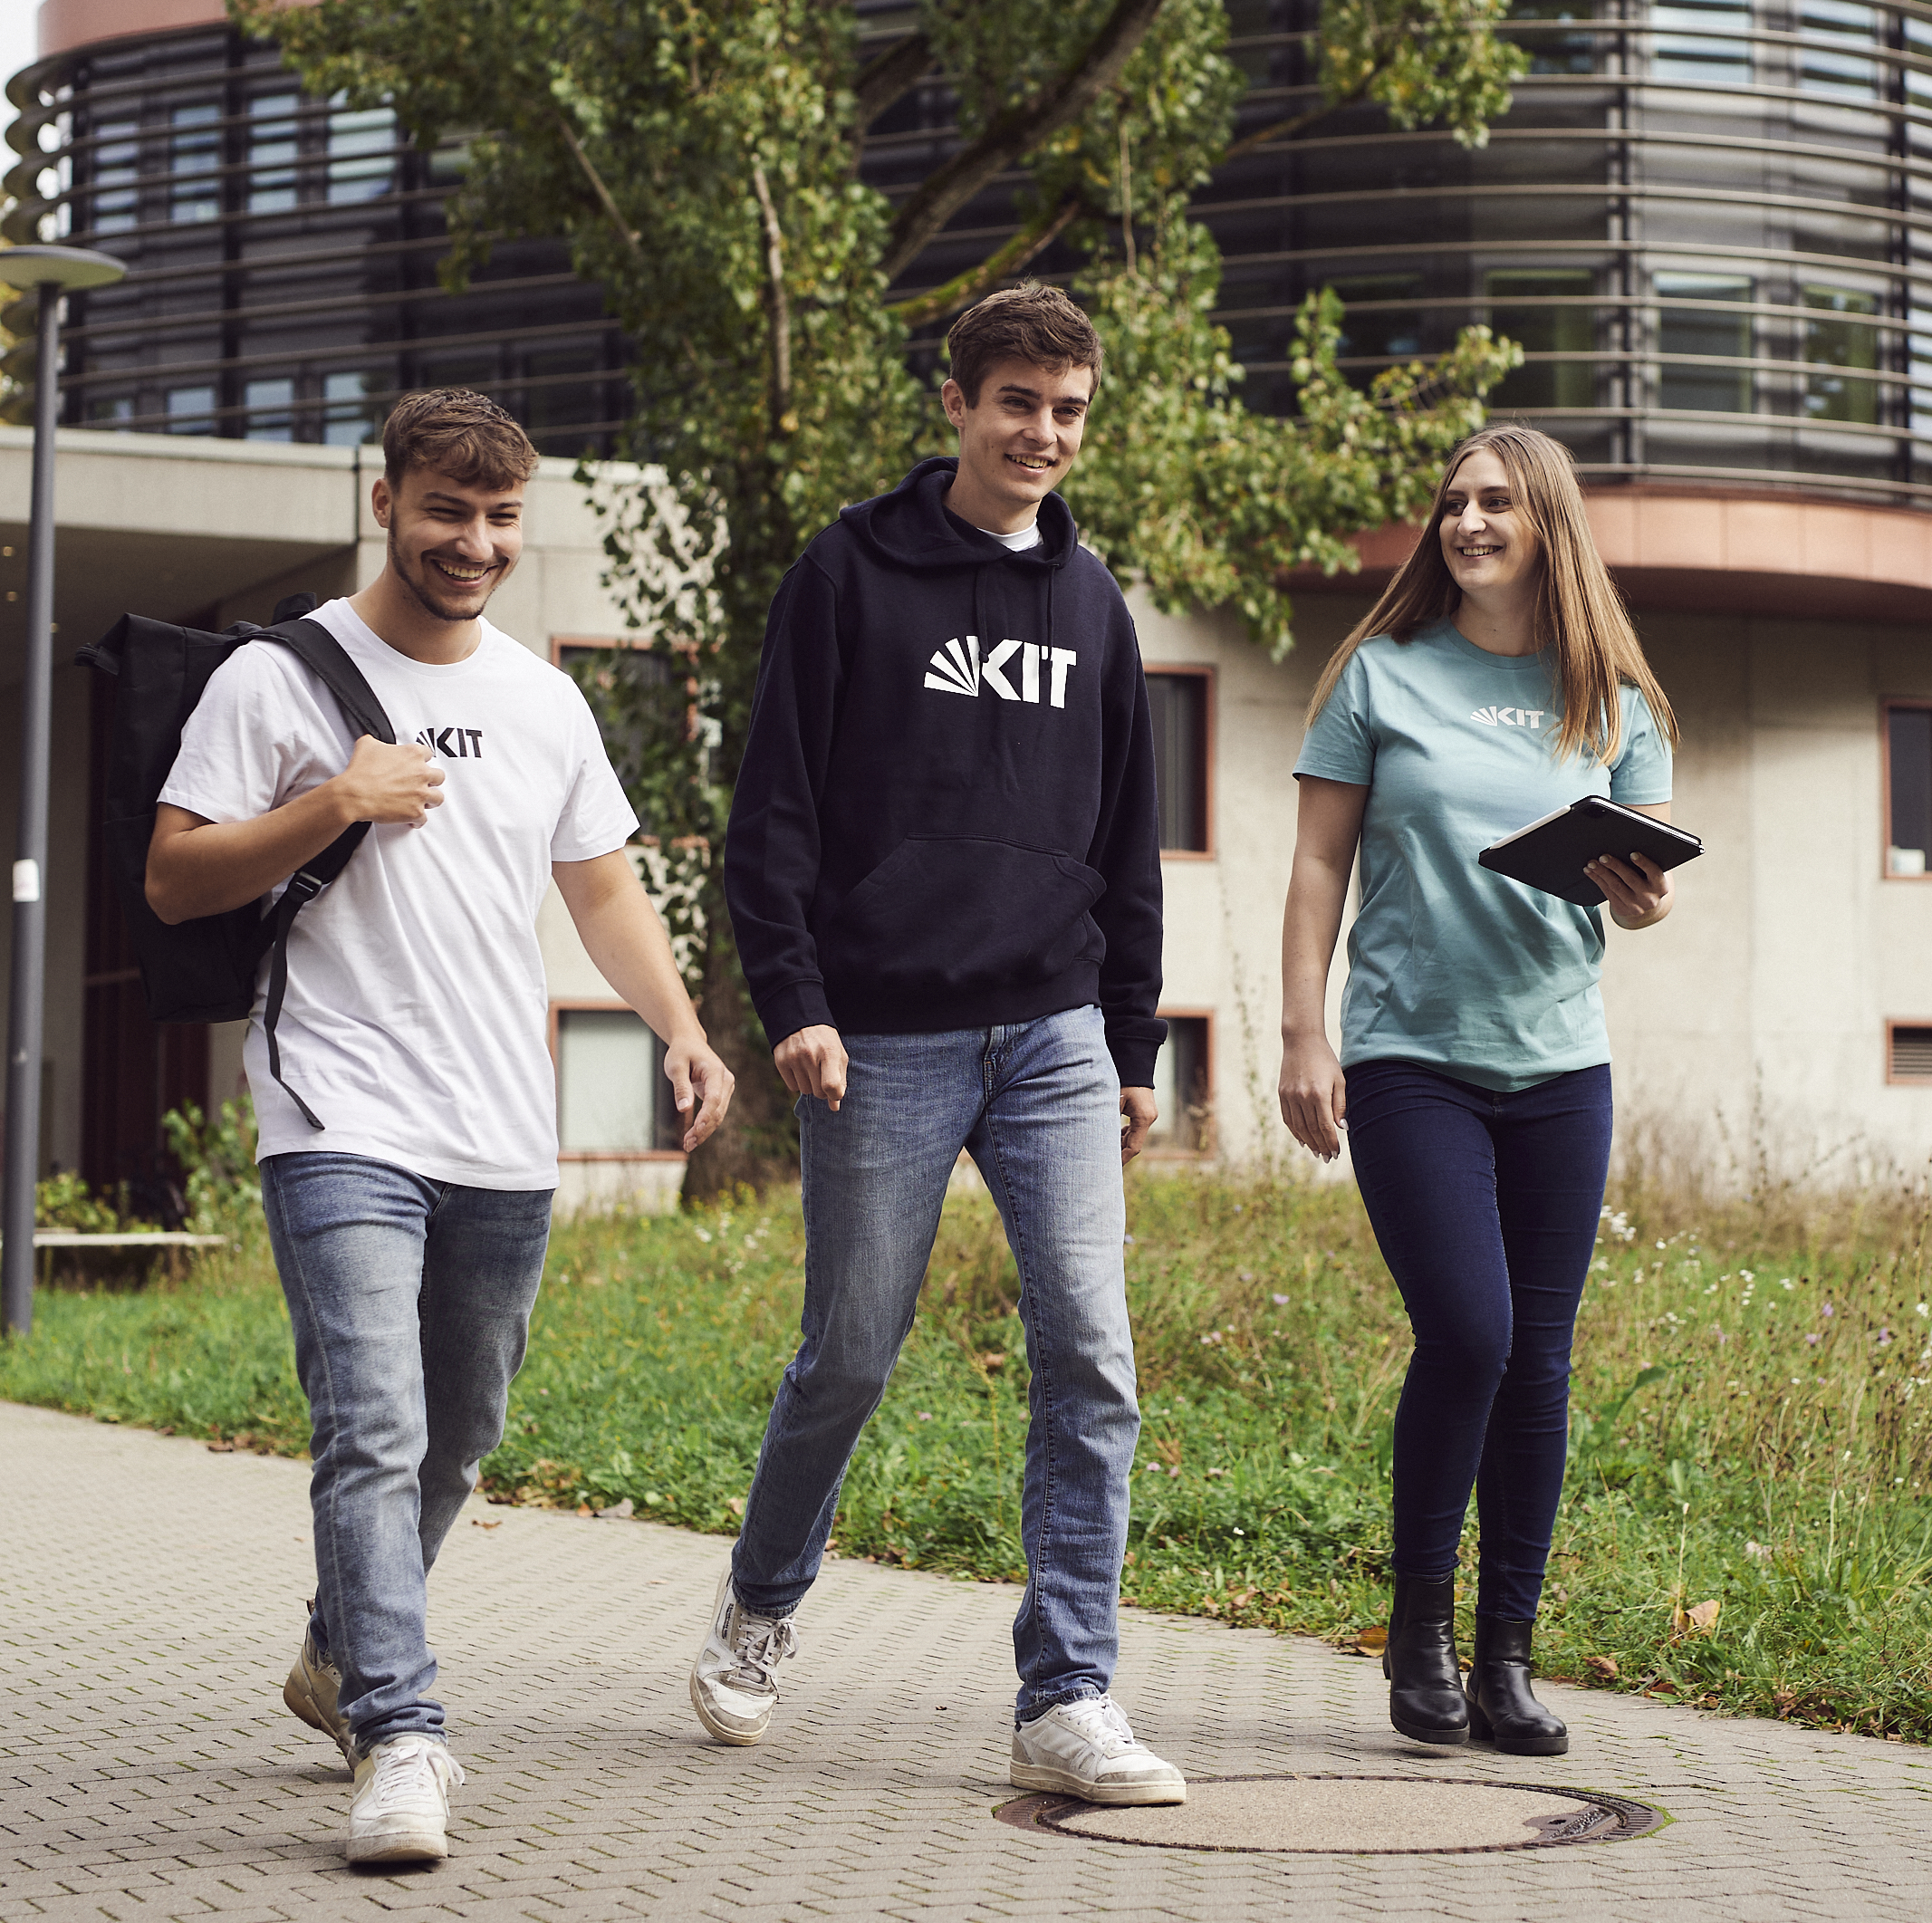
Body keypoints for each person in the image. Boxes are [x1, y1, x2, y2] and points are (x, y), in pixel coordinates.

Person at [146, 388, 735, 1865]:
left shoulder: (545, 701)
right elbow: (174, 880)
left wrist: (679, 1025)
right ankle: (401, 1737)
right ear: (384, 502)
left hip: (498, 1130)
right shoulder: (279, 681)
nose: (473, 543)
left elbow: (601, 890)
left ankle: (339, 1646)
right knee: (374, 1426)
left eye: (498, 518)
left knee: (460, 1432)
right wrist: (332, 802)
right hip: (335, 1110)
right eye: (445, 512)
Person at [697, 281, 1184, 1805]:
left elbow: (1129, 850)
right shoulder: (848, 575)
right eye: (1019, 403)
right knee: (849, 1354)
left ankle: (1068, 1696)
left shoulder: (1094, 606)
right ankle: (763, 1603)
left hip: (1050, 1036)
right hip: (883, 1037)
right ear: (961, 404)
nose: (1044, 434)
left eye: (1070, 411)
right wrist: (798, 1003)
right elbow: (770, 815)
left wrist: (1135, 1048)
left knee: (1092, 1357)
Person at [1274, 422, 1679, 1758]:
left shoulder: (1613, 701)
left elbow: (1642, 908)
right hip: (1407, 1056)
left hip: (1561, 1067)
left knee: (1542, 1361)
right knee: (1471, 1332)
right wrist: (1301, 1036)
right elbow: (1319, 869)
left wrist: (1639, 895)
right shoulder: (1382, 675)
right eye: (1454, 502)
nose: (1468, 521)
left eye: (1497, 501)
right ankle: (1418, 1634)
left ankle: (1506, 1659)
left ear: (1549, 523)